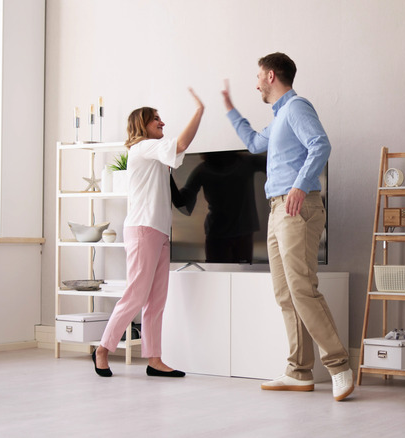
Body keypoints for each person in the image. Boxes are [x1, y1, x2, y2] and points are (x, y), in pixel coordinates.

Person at [222, 52, 354, 401]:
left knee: (302, 288)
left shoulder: (296, 107)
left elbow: (321, 144)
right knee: (285, 293)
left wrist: (299, 184)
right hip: (277, 209)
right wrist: (230, 110)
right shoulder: (280, 118)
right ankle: (298, 371)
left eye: (257, 77)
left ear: (270, 75)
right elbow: (253, 143)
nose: (255, 84)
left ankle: (339, 366)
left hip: (298, 205)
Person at [92, 88, 204, 378]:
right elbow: (180, 145)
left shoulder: (155, 153)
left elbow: (175, 154)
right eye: (156, 119)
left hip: (159, 232)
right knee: (136, 295)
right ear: (143, 125)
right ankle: (103, 349)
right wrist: (199, 111)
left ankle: (154, 359)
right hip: (143, 230)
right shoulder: (141, 148)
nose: (162, 123)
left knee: (156, 300)